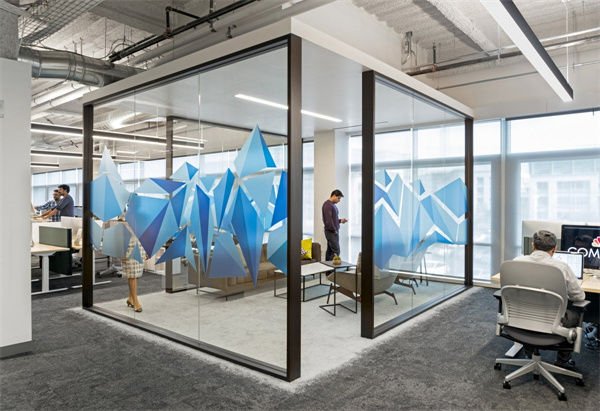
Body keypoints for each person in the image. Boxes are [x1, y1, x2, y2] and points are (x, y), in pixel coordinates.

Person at [514, 229, 586, 368]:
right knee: (575, 315)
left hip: (521, 317)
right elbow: (579, 296)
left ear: (533, 246)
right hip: (552, 321)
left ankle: (529, 352)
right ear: (554, 249)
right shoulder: (562, 267)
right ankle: (562, 361)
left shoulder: (516, 262)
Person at [121, 233, 147, 313]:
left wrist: (147, 249)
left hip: (140, 247)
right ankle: (136, 302)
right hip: (128, 249)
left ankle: (130, 299)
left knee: (136, 274)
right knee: (132, 275)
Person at [322, 189, 348, 261]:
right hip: (331, 232)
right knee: (336, 251)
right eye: (338, 198)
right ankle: (331, 267)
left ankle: (328, 267)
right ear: (334, 195)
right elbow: (328, 220)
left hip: (332, 231)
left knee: (330, 251)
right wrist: (334, 230)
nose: (339, 200)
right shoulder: (327, 205)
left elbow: (333, 219)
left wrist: (340, 221)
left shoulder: (332, 205)